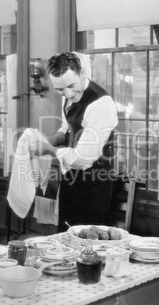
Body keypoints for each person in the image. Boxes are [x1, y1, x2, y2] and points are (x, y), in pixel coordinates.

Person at [34, 52, 118, 232]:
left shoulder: (101, 105)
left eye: (71, 86)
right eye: (60, 90)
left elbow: (82, 158)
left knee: (89, 246)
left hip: (94, 183)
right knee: (65, 237)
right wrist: (48, 140)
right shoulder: (68, 89)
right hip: (71, 179)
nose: (69, 94)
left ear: (82, 73)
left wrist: (48, 149)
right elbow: (67, 128)